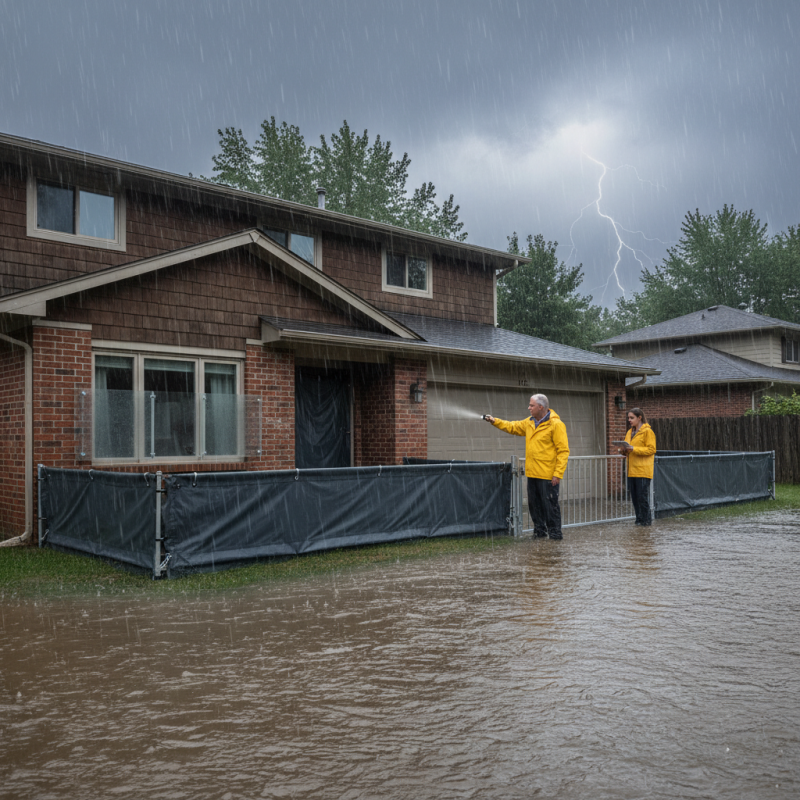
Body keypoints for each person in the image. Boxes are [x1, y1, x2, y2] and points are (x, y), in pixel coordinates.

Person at [484, 394, 569, 540]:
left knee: (550, 507)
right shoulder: (529, 422)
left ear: (541, 407)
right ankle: (539, 533)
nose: (528, 408)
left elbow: (563, 451)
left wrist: (557, 473)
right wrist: (494, 421)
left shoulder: (556, 425)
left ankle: (555, 536)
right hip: (533, 474)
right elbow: (512, 427)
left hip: (548, 476)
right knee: (534, 507)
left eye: (531, 405)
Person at [618, 407, 657, 526]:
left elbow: (651, 449)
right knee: (635, 499)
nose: (629, 420)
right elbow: (627, 449)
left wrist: (634, 449)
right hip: (631, 471)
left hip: (643, 471)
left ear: (639, 418)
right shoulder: (629, 432)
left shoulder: (647, 432)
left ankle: (646, 522)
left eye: (632, 418)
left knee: (642, 498)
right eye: (628, 418)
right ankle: (639, 520)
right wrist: (622, 450)